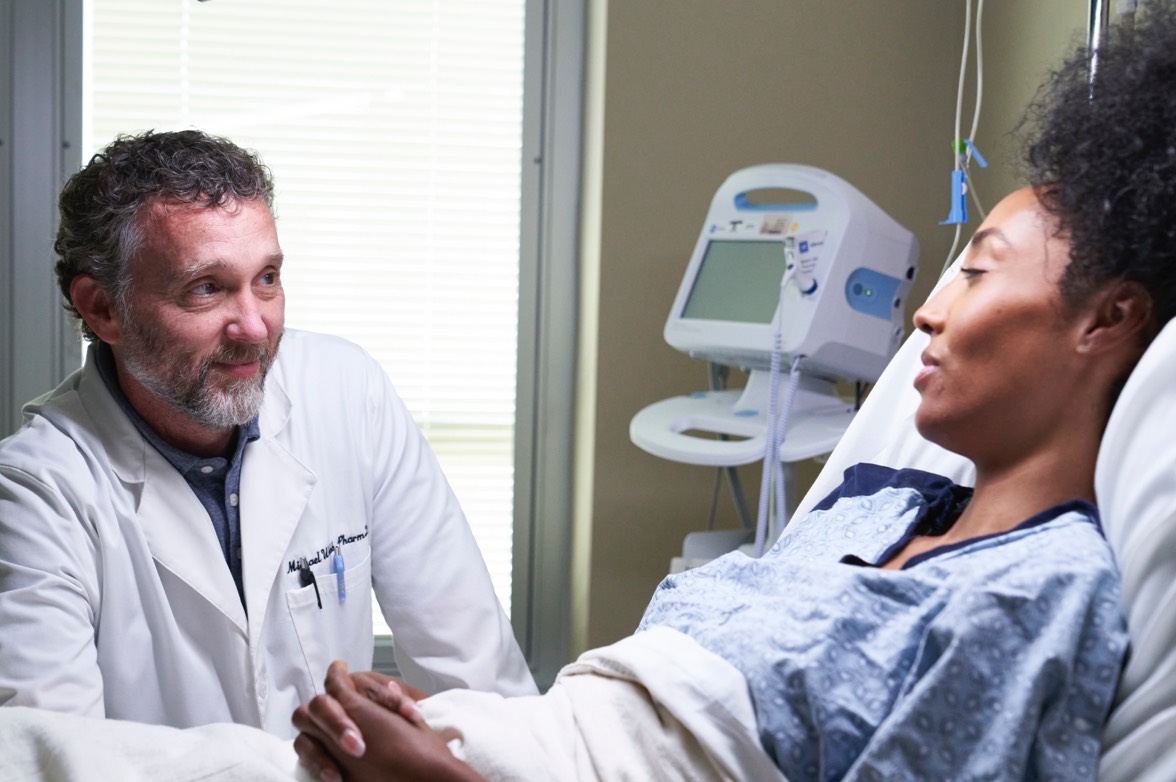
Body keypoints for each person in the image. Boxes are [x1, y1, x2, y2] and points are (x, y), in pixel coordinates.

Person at [290, 4, 1176, 780]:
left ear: (1108, 319)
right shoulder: (880, 499)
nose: (926, 317)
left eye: (977, 271)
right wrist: (452, 728)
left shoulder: (1035, 596)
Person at [0, 129, 536, 737]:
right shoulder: (40, 484)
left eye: (267, 278)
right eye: (207, 288)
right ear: (104, 309)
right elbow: (36, 754)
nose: (256, 328)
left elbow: (478, 676)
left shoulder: (346, 390)